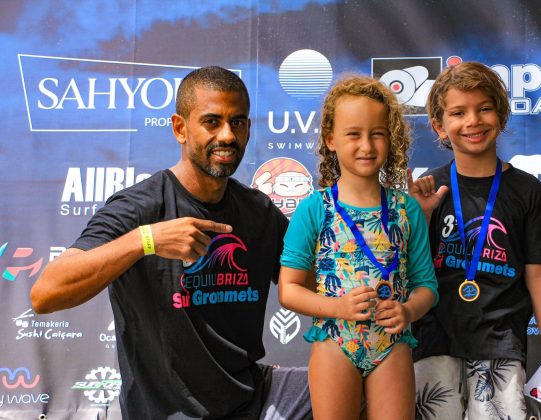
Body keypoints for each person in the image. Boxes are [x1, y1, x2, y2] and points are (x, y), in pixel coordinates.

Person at [30, 66, 311, 420]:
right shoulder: (139, 208)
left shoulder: (258, 211)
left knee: (355, 388)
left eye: (237, 122)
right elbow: (45, 294)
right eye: (212, 122)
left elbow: (313, 284)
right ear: (180, 128)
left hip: (252, 399)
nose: (227, 135)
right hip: (168, 413)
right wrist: (146, 240)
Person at [408, 61, 541, 419]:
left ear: (501, 116)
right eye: (458, 112)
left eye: (484, 108)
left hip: (501, 341)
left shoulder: (530, 193)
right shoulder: (429, 189)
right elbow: (411, 266)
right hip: (433, 338)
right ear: (440, 126)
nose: (473, 121)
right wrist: (421, 213)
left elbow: (537, 274)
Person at [278, 75, 438, 420]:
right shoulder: (314, 208)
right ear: (330, 139)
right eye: (354, 134)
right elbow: (288, 290)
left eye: (377, 133)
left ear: (390, 138)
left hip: (391, 347)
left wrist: (408, 312)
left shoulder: (407, 209)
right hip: (335, 344)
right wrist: (338, 307)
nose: (366, 145)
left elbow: (427, 286)